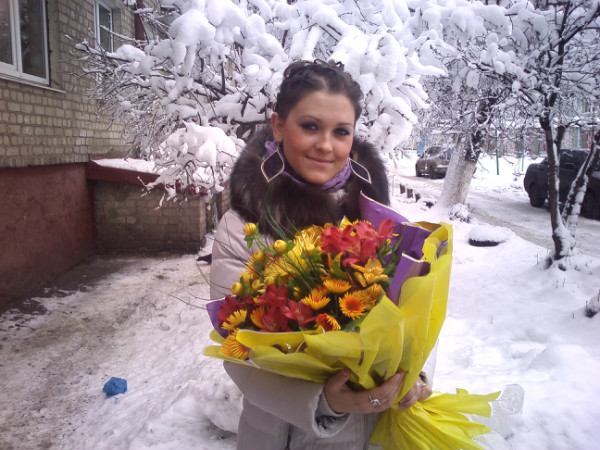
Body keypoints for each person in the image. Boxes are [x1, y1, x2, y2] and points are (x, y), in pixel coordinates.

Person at [209, 60, 435, 450]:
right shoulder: (242, 227)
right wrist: (323, 402)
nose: (326, 145)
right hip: (284, 436)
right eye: (310, 126)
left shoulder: (376, 218)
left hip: (375, 433)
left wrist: (412, 377)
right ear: (279, 126)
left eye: (341, 131)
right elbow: (239, 352)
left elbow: (410, 315)